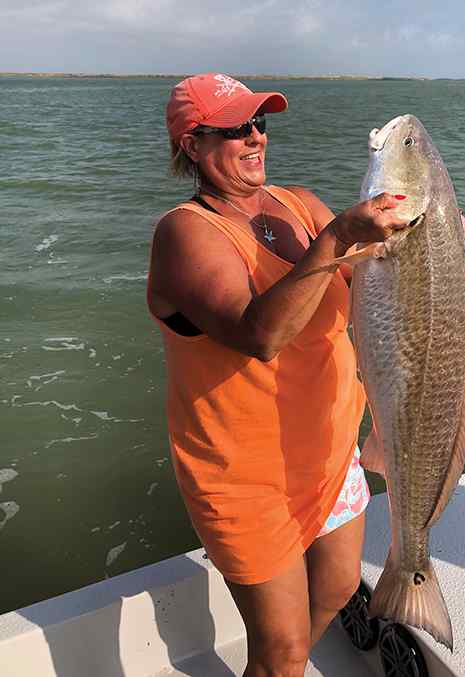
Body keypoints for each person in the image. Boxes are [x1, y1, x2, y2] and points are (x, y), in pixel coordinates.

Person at [147, 72, 409, 677]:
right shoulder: (186, 232)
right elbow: (258, 334)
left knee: (341, 588)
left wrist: (423, 243)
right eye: (235, 127)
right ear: (192, 144)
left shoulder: (300, 204)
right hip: (246, 476)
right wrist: (340, 235)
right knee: (285, 650)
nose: (255, 136)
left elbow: (371, 288)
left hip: (329, 450)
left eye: (259, 122)